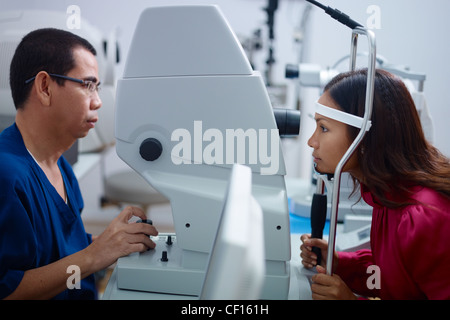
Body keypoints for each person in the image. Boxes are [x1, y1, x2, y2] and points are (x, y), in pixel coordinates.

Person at [0, 28, 158, 300]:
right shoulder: (7, 176)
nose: (97, 102)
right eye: (87, 85)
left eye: (97, 87)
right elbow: (7, 291)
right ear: (45, 87)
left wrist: (113, 244)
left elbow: (62, 252)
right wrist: (94, 256)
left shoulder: (60, 167)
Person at [300, 68, 450, 300]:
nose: (312, 141)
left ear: (364, 138)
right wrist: (340, 263)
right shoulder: (385, 195)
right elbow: (390, 275)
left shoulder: (425, 217)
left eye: (324, 128)